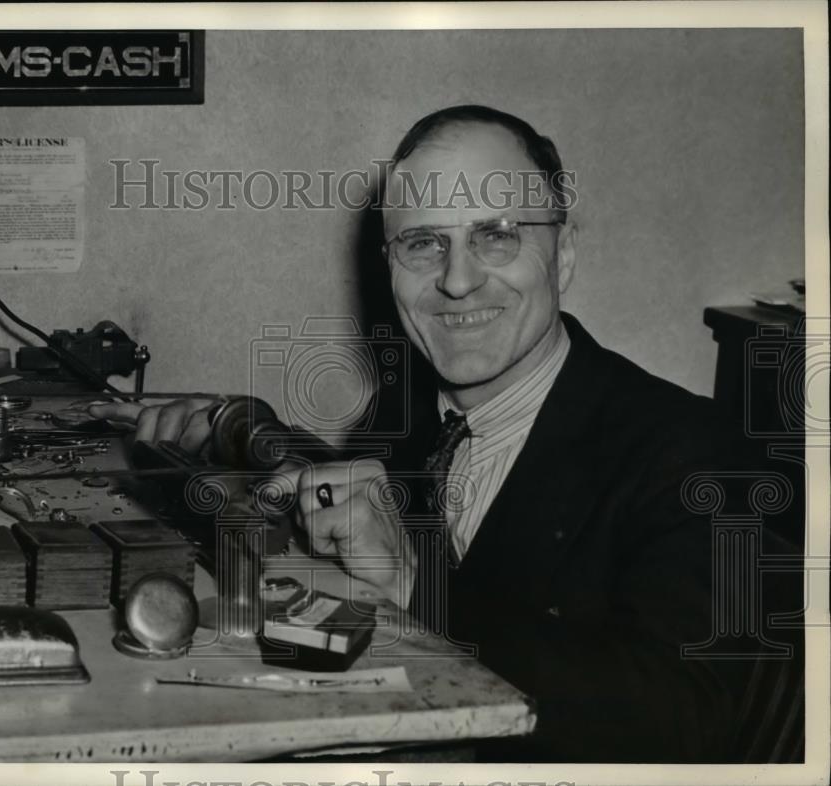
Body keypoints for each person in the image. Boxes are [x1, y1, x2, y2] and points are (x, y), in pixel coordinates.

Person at [91, 105, 800, 762]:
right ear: (390, 268)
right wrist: (236, 425)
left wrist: (416, 585)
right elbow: (363, 518)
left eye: (497, 235)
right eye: (424, 244)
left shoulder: (694, 451)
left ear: (565, 253)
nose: (458, 282)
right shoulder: (409, 414)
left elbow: (689, 723)